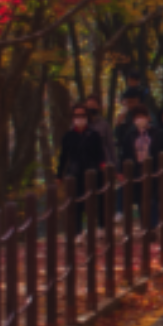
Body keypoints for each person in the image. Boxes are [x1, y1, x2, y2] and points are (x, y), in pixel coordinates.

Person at [58, 104, 107, 232]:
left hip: (93, 172)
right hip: (75, 173)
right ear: (72, 118)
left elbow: (100, 153)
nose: (80, 118)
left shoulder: (94, 135)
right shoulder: (68, 136)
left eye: (82, 115)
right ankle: (77, 231)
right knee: (76, 203)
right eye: (77, 116)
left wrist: (102, 165)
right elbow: (63, 157)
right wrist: (59, 175)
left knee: (97, 201)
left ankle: (100, 227)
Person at [84, 93, 117, 167]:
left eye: (93, 105)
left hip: (103, 163)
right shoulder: (80, 124)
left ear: (98, 107)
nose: (91, 108)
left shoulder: (104, 125)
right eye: (89, 106)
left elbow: (110, 146)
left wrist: (115, 165)